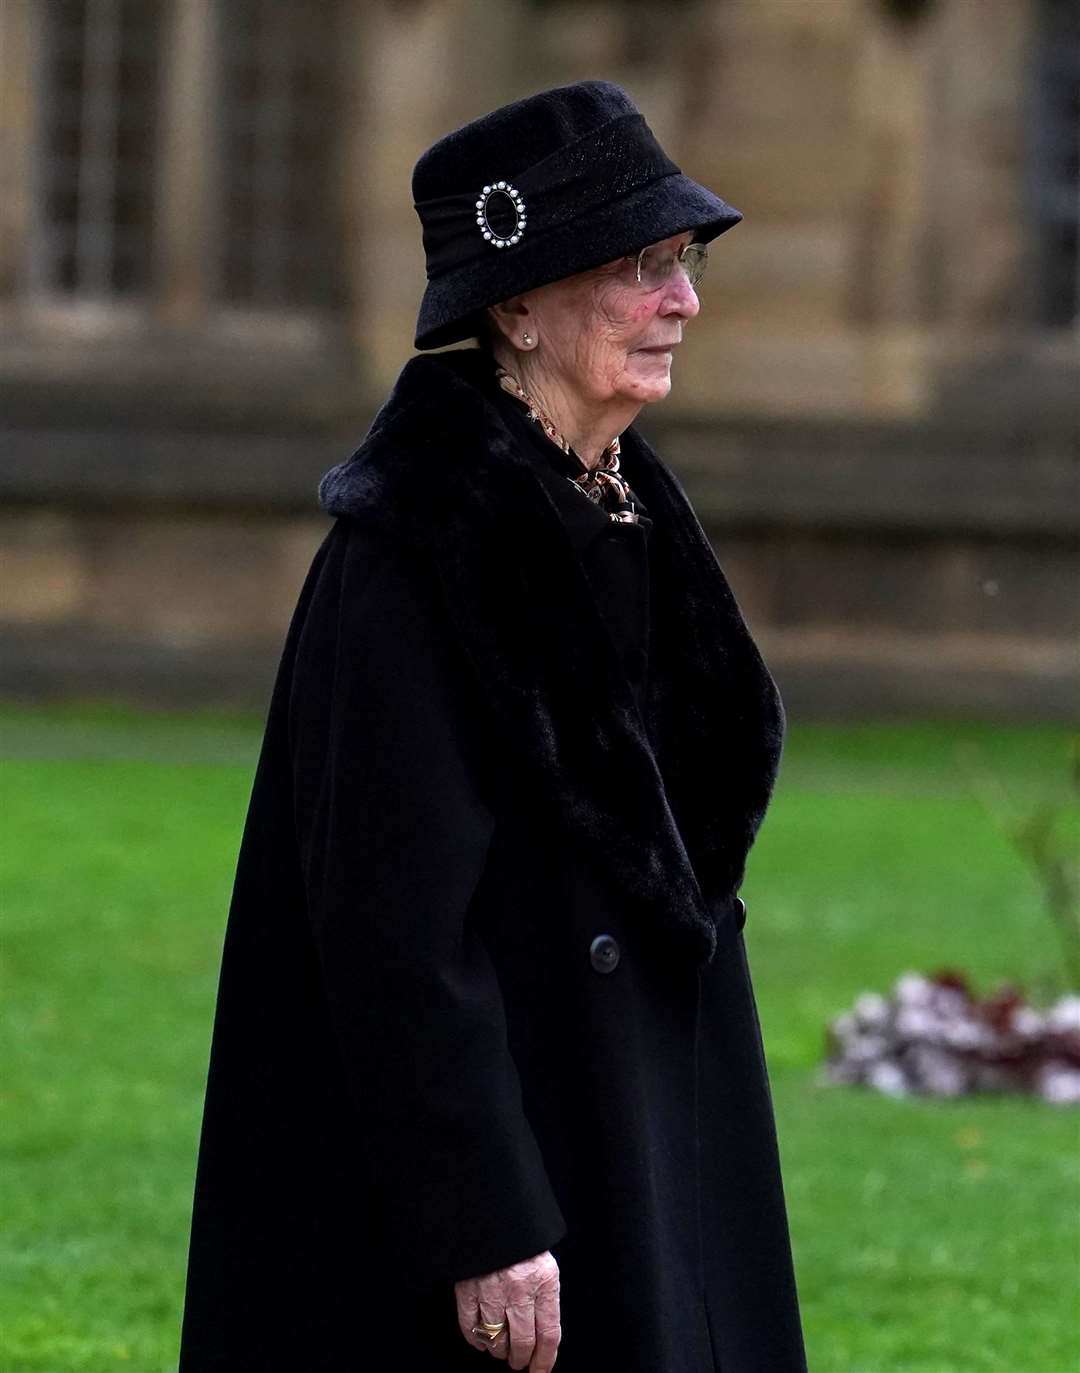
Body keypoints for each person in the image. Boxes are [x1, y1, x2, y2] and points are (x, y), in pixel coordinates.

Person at [178, 79, 808, 1372]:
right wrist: (484, 1217)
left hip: (645, 1135)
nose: (685, 300)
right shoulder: (417, 550)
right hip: (510, 1173)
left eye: (680, 263)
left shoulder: (632, 506)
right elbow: (392, 925)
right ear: (516, 306)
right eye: (643, 266)